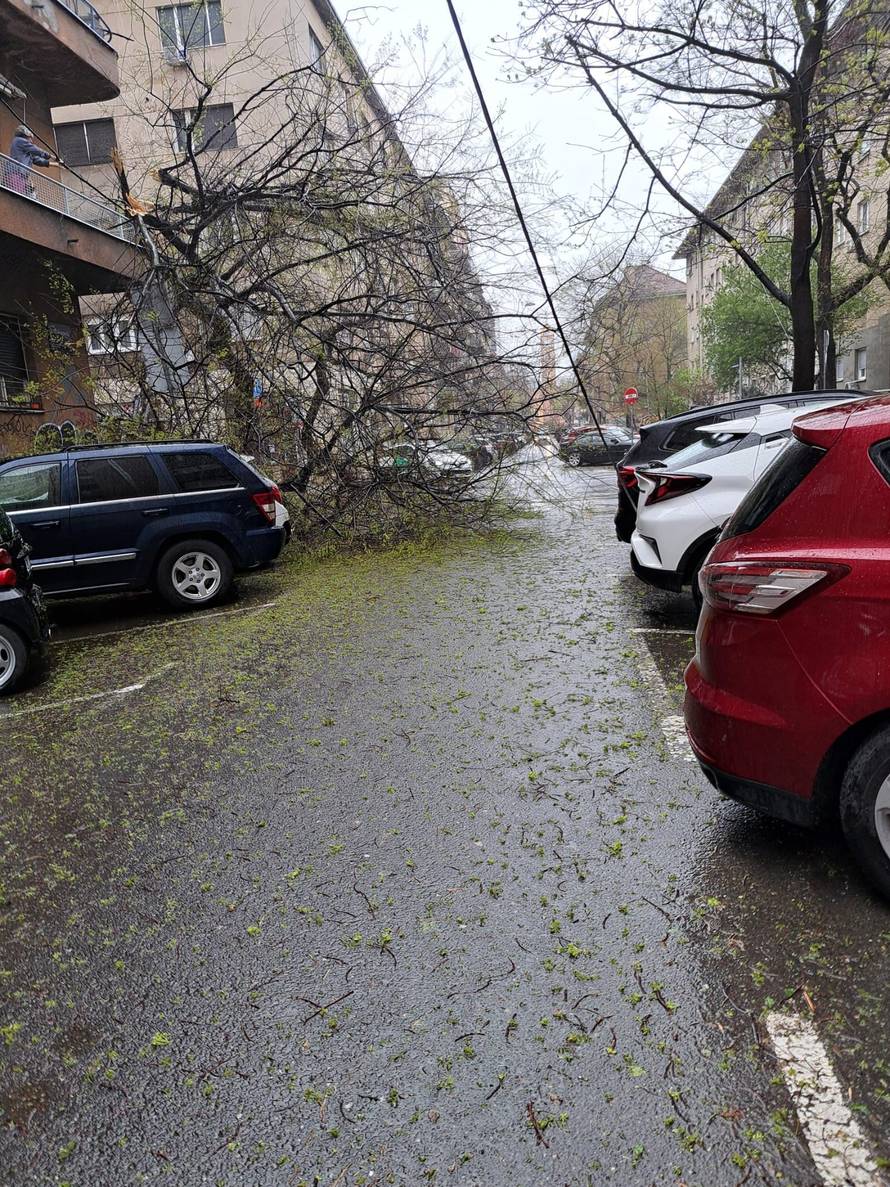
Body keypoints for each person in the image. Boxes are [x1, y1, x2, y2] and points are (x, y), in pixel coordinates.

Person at [6, 126, 53, 194]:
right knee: (17, 195)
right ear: (25, 136)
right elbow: (35, 149)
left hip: (21, 175)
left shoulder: (26, 151)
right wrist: (50, 156)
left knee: (22, 195)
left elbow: (38, 160)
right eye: (30, 138)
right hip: (16, 172)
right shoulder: (19, 140)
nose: (31, 141)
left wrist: (57, 164)